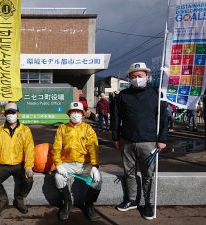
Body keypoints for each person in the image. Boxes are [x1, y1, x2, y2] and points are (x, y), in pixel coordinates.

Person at [111, 62, 168, 220]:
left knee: (147, 174)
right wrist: (115, 137)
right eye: (133, 77)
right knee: (129, 172)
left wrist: (162, 139)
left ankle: (148, 203)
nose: (137, 79)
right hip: (127, 140)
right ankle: (131, 199)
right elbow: (116, 118)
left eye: (140, 76)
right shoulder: (123, 95)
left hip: (149, 141)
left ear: (147, 77)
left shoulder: (156, 95)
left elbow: (163, 118)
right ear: (129, 78)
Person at [52, 102, 102, 222]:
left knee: (98, 180)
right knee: (58, 178)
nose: (75, 114)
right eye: (73, 112)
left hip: (85, 164)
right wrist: (58, 164)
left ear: (82, 114)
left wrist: (95, 166)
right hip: (67, 164)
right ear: (69, 114)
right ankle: (67, 203)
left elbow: (93, 148)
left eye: (78, 112)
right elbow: (56, 148)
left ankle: (89, 205)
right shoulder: (62, 129)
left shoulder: (88, 129)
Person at [0, 102, 34, 215]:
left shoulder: (25, 130)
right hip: (4, 165)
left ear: (17, 113)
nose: (10, 115)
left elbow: (29, 149)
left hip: (19, 165)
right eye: (8, 112)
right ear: (5, 114)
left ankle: (19, 199)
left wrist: (28, 167)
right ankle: (3, 200)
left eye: (13, 112)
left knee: (29, 180)